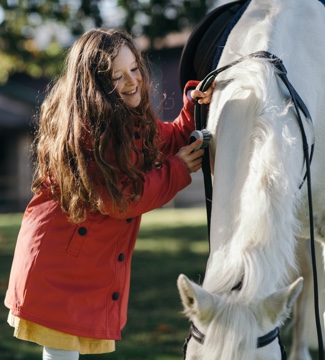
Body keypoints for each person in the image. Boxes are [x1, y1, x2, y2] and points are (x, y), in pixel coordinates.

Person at [4, 28, 215, 359]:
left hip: (79, 261)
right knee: (60, 353)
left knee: (64, 354)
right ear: (96, 87)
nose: (132, 82)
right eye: (118, 76)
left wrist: (192, 103)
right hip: (58, 262)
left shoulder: (131, 122)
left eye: (134, 69)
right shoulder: (90, 134)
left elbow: (172, 138)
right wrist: (177, 170)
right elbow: (121, 199)